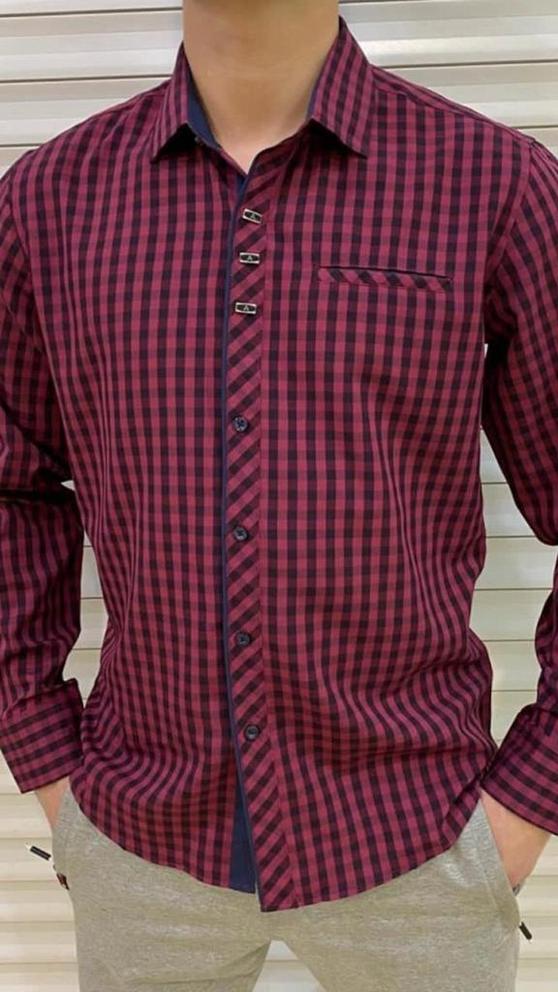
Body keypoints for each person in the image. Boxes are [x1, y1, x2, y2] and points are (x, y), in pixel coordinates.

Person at [0, 1, 556, 989]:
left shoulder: (491, 182)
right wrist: (47, 761)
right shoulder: (48, 201)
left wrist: (526, 799)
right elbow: (10, 489)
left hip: (418, 836)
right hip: (139, 836)